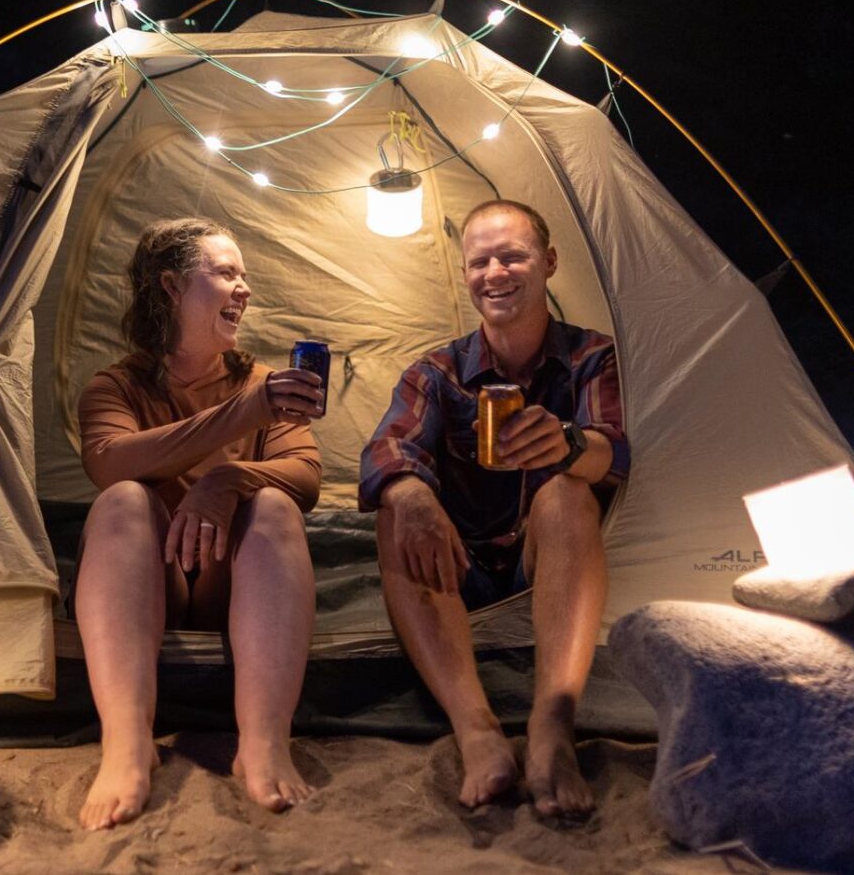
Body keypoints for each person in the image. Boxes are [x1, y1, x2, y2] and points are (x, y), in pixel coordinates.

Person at [358, 200, 629, 818]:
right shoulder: (438, 371)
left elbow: (615, 452)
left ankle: (552, 724)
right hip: (462, 566)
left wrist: (568, 445)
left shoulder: (592, 358)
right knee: (398, 505)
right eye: (480, 261)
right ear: (465, 276)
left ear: (549, 263)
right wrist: (411, 493)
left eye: (513, 255)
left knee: (565, 489)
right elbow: (384, 451)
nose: (495, 272)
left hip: (548, 558)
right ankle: (476, 730)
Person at [74, 217, 327, 830]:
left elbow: (307, 475)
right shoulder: (117, 385)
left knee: (274, 504)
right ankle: (128, 743)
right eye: (226, 273)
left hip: (229, 581)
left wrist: (228, 480)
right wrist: (247, 415)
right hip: (150, 576)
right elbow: (110, 461)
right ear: (170, 288)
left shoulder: (261, 381)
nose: (244, 289)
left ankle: (264, 741)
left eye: (244, 277)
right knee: (122, 502)